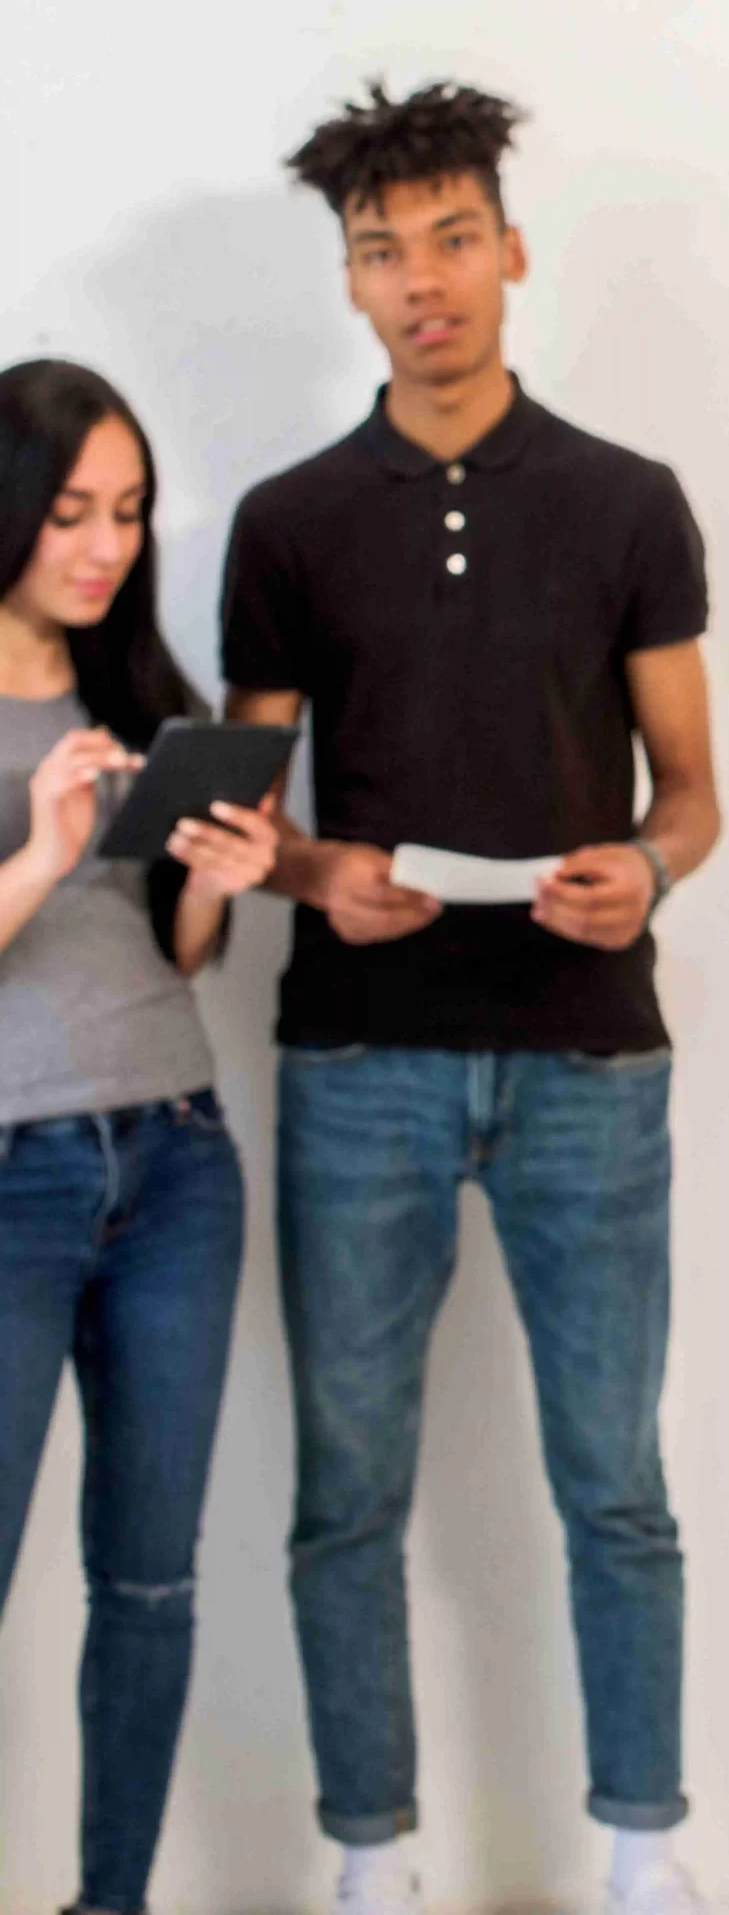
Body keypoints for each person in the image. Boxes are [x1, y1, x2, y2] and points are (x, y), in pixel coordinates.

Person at [217, 83, 722, 1915]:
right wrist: (313, 873)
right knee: (347, 1493)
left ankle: (644, 1846)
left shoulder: (625, 503)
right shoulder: (286, 524)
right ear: (346, 283)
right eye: (379, 250)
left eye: (449, 238)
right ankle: (377, 1860)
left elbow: (696, 797)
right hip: (358, 1062)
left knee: (619, 1483)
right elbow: (238, 817)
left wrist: (644, 874)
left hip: (591, 1057)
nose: (420, 279)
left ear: (509, 250)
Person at [0, 359, 278, 1915]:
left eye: (128, 513)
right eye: (68, 512)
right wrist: (42, 850)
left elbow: (167, 959)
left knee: (151, 1580)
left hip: (174, 1158)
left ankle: (112, 1904)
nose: (103, 546)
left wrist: (213, 879)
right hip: (13, 1178)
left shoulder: (137, 690)